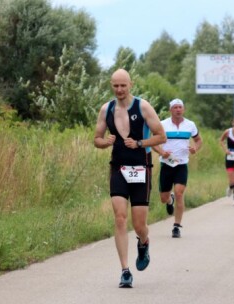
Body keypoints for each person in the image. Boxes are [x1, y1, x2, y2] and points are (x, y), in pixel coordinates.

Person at [93, 68, 166, 288]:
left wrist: (140, 144)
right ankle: (125, 271)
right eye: (115, 85)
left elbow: (161, 135)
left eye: (123, 85)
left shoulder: (143, 106)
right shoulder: (106, 109)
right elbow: (96, 138)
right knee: (120, 218)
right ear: (111, 85)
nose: (119, 89)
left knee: (139, 224)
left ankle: (143, 242)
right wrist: (104, 142)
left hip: (141, 168)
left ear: (130, 84)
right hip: (118, 168)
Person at [152, 99, 202, 238]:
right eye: (175, 107)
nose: (178, 109)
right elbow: (153, 142)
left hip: (181, 164)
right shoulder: (163, 125)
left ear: (183, 109)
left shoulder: (190, 125)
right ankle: (169, 200)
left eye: (180, 107)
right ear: (170, 110)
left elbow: (198, 140)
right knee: (163, 198)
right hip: (167, 164)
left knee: (180, 193)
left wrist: (195, 149)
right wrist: (162, 152)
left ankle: (176, 226)